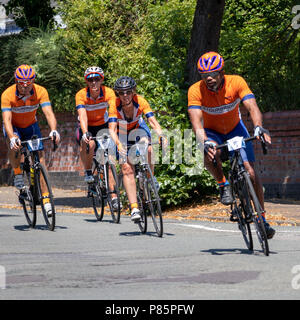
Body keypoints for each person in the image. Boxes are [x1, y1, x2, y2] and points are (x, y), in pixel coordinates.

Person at [187, 51, 275, 239]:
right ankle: (223, 184)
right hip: (212, 132)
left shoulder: (236, 82)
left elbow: (252, 106)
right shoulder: (196, 90)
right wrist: (204, 142)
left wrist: (258, 127)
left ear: (222, 72)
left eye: (213, 73)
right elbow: (196, 122)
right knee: (209, 154)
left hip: (236, 130)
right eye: (204, 75)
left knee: (251, 173)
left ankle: (262, 219)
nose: (209, 78)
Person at [1, 64, 60, 216]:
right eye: (21, 83)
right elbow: (7, 120)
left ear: (33, 81)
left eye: (28, 83)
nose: (25, 87)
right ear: (16, 81)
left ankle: (46, 200)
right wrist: (13, 137)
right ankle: (18, 174)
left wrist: (53, 129)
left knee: (41, 161)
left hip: (30, 126)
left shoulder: (41, 91)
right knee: (14, 147)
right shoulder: (7, 95)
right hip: (14, 127)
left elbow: (48, 113)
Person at [108, 76, 166, 222]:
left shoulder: (140, 101)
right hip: (121, 134)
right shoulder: (114, 105)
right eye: (121, 93)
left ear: (133, 92)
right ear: (118, 94)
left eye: (128, 92)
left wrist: (161, 135)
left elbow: (152, 121)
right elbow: (111, 130)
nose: (125, 95)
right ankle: (134, 208)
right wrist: (119, 145)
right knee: (127, 168)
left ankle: (150, 177)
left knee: (149, 148)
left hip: (138, 129)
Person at [75, 66, 119, 210]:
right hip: (87, 126)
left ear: (102, 80)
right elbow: (82, 115)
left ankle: (113, 197)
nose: (94, 82)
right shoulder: (81, 94)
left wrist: (112, 133)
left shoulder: (109, 92)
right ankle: (88, 172)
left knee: (109, 159)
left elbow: (113, 113)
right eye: (90, 80)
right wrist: (85, 132)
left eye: (97, 79)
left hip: (103, 125)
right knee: (90, 144)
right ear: (87, 81)